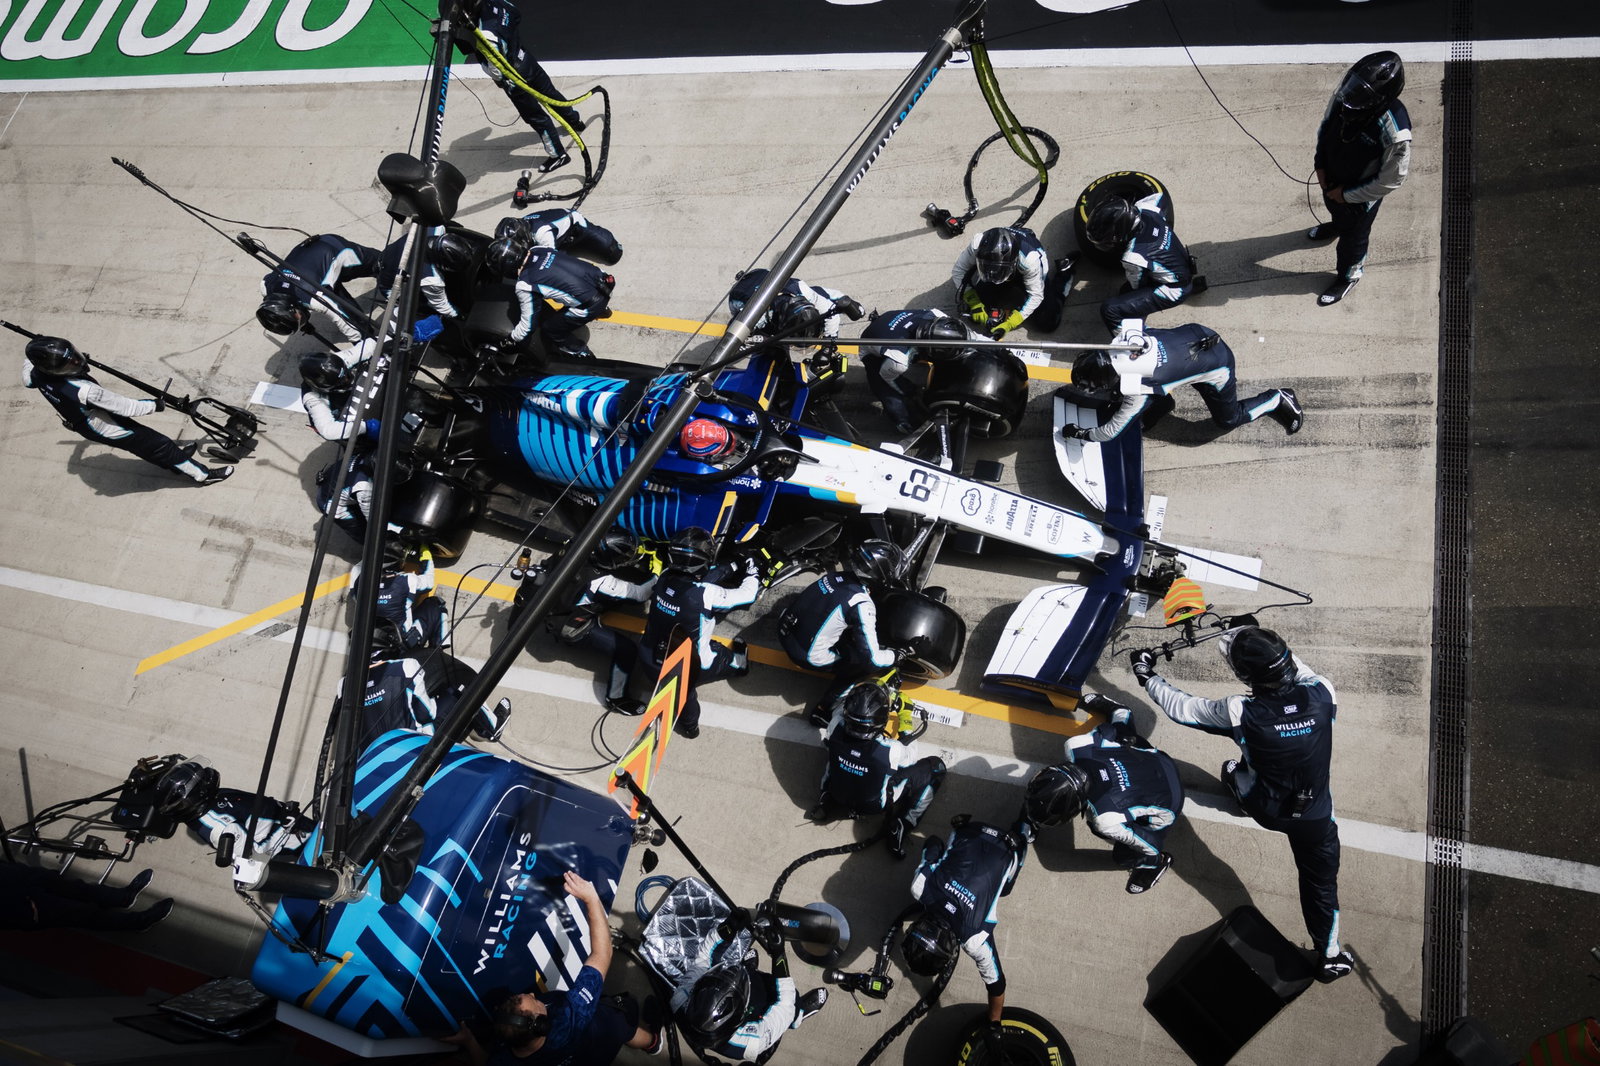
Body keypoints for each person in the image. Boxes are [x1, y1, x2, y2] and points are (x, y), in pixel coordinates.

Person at [1130, 622, 1354, 982]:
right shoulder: (1323, 692)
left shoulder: (1240, 711)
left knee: (1235, 768)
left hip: (1265, 808)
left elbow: (1183, 708)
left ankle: (1236, 789)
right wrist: (1256, 633)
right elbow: (1297, 667)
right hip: (1315, 818)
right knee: (1321, 886)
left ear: (1246, 677)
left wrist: (1146, 673)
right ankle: (1329, 956)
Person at [444, 871, 661, 1064]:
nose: (532, 993)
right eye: (535, 1002)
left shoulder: (505, 1059)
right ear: (542, 1025)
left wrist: (469, 1041)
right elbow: (601, 955)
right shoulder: (570, 1016)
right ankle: (653, 1043)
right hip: (605, 1034)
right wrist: (591, 899)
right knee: (621, 1025)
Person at [590, 527, 760, 738]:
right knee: (698, 684)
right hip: (692, 668)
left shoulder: (664, 577)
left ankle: (689, 726)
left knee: (684, 692)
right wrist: (752, 568)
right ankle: (692, 725)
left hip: (650, 661)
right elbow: (748, 594)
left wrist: (732, 564)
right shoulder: (707, 594)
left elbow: (700, 581)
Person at [1022, 693, 1185, 894]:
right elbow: (1108, 731)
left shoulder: (1105, 819)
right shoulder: (1076, 746)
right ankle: (1120, 712)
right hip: (1158, 760)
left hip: (1171, 799)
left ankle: (1155, 865)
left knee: (1121, 855)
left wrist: (1153, 855)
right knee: (1122, 737)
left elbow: (1151, 845)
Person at [22, 336, 232, 485]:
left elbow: (28, 369)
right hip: (104, 425)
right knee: (159, 444)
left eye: (74, 357)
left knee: (143, 447)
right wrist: (155, 405)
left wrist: (40, 344)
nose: (76, 363)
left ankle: (175, 463)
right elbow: (126, 407)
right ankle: (203, 475)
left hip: (82, 419)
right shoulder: (85, 391)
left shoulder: (34, 374)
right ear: (53, 370)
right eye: (69, 364)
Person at [1059, 321, 1303, 443]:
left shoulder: (1139, 391)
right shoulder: (1125, 338)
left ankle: (1277, 398)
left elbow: (1110, 432)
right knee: (1145, 389)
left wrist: (1081, 433)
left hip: (1217, 365)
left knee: (1228, 420)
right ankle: (1163, 403)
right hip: (1195, 335)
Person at [896, 814, 1028, 1033]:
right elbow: (934, 843)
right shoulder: (920, 887)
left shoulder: (975, 938)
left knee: (1005, 889)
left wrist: (994, 1025)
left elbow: (997, 984)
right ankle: (1022, 831)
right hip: (971, 828)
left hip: (1009, 847)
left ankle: (1025, 832)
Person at [1310, 51, 1411, 306]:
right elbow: (1326, 125)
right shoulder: (1346, 96)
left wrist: (1346, 195)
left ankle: (1349, 276)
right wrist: (1320, 164)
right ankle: (1337, 224)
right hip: (1332, 176)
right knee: (1335, 208)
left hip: (1360, 196)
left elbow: (1390, 181)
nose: (1348, 100)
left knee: (1354, 237)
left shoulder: (1396, 133)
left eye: (1359, 96)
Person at [808, 680, 946, 860]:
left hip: (838, 793)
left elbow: (841, 711)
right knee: (936, 767)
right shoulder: (891, 750)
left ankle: (826, 799)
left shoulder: (834, 726)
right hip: (874, 806)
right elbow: (911, 756)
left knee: (833, 753)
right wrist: (905, 713)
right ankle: (903, 824)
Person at [455, 0, 583, 174]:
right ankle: (575, 121)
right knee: (550, 93)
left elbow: (497, 72)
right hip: (525, 59)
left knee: (536, 117)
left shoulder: (486, 35)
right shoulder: (496, 3)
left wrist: (489, 69)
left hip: (514, 78)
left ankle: (558, 155)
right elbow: (515, 14)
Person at [485, 223, 615, 360]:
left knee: (551, 328)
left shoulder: (525, 284)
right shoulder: (539, 249)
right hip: (604, 281)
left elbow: (527, 326)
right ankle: (602, 309)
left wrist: (510, 339)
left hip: (591, 304)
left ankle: (580, 353)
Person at [776, 540, 901, 680]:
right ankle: (838, 694)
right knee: (860, 663)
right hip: (805, 656)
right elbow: (873, 661)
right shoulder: (861, 603)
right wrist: (896, 655)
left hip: (784, 629)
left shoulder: (835, 576)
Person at [679, 948, 827, 1063]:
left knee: (747, 978)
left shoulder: (679, 999)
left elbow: (703, 957)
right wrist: (778, 954)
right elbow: (784, 1005)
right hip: (759, 1024)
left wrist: (726, 928)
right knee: (788, 1004)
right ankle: (798, 1015)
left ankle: (749, 971)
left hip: (734, 1020)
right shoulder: (753, 1041)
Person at [1083, 193, 1204, 335]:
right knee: (1127, 290)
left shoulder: (1133, 257)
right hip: (1183, 265)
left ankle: (1134, 342)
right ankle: (1190, 285)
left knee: (1111, 309)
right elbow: (1161, 196)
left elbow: (1137, 286)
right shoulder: (1147, 208)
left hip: (1174, 290)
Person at [152, 759, 309, 862]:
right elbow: (256, 857)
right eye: (200, 780)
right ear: (193, 795)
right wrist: (285, 826)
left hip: (289, 819)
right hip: (299, 837)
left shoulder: (212, 797)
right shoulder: (220, 829)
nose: (206, 777)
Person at [858, 309, 972, 433]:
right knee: (884, 386)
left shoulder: (939, 316)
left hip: (892, 323)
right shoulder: (898, 360)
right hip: (871, 344)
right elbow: (889, 378)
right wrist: (912, 392)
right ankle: (903, 421)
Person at [257, 232, 383, 342]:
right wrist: (303, 325)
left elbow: (346, 323)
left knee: (383, 265)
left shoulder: (315, 297)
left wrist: (363, 344)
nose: (301, 321)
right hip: (307, 253)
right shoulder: (266, 285)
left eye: (299, 320)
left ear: (292, 308)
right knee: (339, 299)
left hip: (334, 247)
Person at [949, 225, 1071, 338]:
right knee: (974, 315)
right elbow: (958, 271)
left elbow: (1036, 295)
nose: (994, 278)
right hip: (1009, 267)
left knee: (1048, 321)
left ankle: (1065, 272)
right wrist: (974, 303)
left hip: (1025, 272)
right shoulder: (977, 244)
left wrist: (1011, 322)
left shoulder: (1030, 260)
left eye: (999, 272)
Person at [0, 861, 173, 932]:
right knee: (81, 913)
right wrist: (23, 916)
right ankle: (138, 922)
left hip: (8, 877)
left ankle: (123, 897)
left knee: (73, 887)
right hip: (12, 906)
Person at [351, 544, 452, 652]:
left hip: (371, 644)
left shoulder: (358, 581)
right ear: (400, 563)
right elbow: (429, 582)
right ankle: (437, 651)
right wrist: (425, 555)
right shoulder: (406, 580)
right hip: (402, 647)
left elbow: (361, 565)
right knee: (436, 603)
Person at [376, 228, 482, 322]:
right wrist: (458, 315)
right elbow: (441, 305)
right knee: (420, 305)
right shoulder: (431, 279)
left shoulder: (435, 227)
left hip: (391, 252)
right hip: (390, 285)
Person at [727, 269, 864, 342]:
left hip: (784, 289)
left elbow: (830, 310)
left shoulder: (802, 289)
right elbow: (731, 334)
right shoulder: (757, 315)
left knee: (857, 310)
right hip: (744, 296)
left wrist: (829, 343)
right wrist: (749, 339)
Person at [298, 339, 376, 442]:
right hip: (344, 413)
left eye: (347, 376)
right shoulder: (312, 397)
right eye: (342, 382)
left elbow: (371, 344)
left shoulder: (338, 360)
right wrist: (365, 427)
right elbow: (328, 431)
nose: (347, 381)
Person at [513, 209, 623, 266]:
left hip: (575, 228)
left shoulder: (542, 234)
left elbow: (550, 261)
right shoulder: (520, 223)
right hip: (556, 233)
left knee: (613, 253)